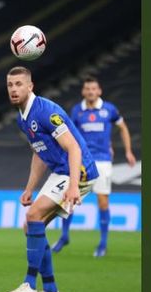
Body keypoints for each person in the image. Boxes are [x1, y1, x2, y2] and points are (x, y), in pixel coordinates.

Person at [4, 66, 99, 292]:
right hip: (60, 171)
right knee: (30, 226)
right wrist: (29, 188)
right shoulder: (22, 118)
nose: (14, 89)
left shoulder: (46, 111)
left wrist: (74, 186)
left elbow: (74, 147)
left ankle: (28, 284)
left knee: (34, 215)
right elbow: (39, 152)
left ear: (30, 86)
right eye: (10, 85)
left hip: (80, 171)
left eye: (18, 84)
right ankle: (51, 290)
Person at [52, 77, 136, 257]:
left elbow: (123, 127)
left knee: (102, 201)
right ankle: (64, 236)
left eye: (93, 89)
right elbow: (70, 134)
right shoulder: (77, 111)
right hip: (81, 160)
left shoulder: (109, 109)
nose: (90, 91)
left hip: (103, 160)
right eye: (87, 89)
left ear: (99, 91)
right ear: (83, 92)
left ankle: (103, 243)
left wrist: (128, 151)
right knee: (70, 198)